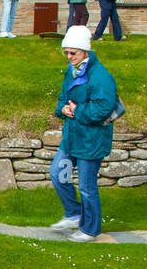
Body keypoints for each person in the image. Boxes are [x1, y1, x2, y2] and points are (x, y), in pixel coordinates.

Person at [48, 25, 119, 243]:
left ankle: (90, 230)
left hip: (92, 139)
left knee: (87, 187)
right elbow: (62, 98)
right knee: (58, 174)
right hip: (72, 137)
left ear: (85, 51)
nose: (69, 57)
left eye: (73, 53)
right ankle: (74, 214)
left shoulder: (101, 76)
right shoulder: (72, 71)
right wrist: (63, 109)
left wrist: (77, 110)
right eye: (66, 52)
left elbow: (104, 107)